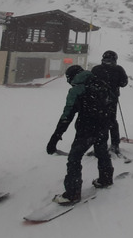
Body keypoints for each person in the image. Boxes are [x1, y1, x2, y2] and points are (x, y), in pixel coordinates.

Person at [47, 65, 114, 204]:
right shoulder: (100, 83)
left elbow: (67, 115)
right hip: (103, 125)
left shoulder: (77, 89)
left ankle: (72, 193)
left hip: (86, 129)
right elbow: (111, 102)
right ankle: (106, 179)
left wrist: (55, 137)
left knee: (74, 158)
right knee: (101, 152)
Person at [91, 50, 129, 155]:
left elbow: (90, 82)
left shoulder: (96, 69)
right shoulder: (118, 69)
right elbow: (124, 83)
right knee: (112, 121)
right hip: (112, 99)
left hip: (98, 100)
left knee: (99, 122)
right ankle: (115, 145)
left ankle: (99, 145)